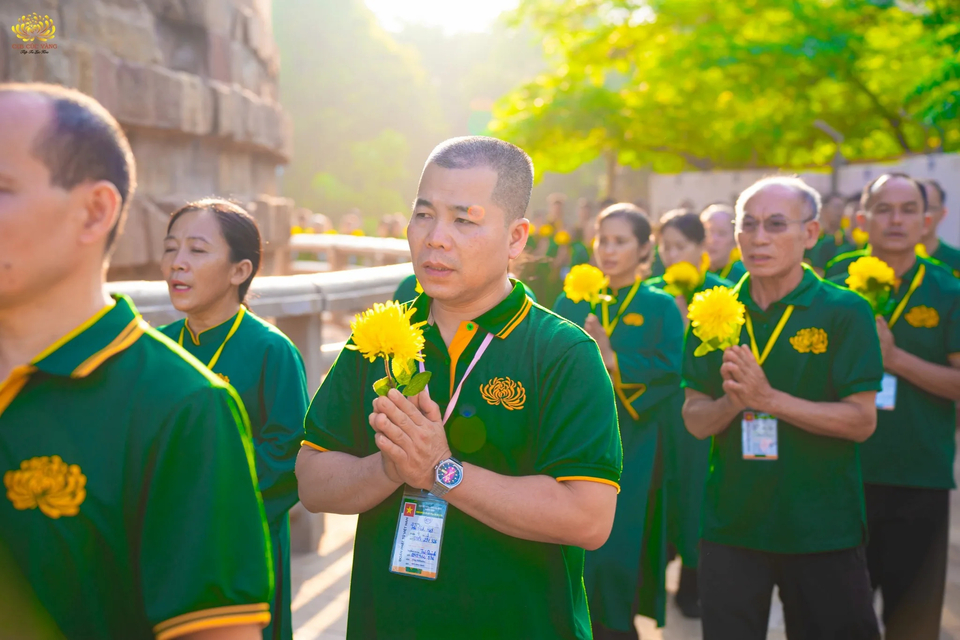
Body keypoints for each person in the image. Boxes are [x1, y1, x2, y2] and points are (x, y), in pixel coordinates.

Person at [296, 136, 622, 639]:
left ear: (515, 238)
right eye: (424, 214)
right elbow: (312, 480)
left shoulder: (561, 352)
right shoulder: (380, 337)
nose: (435, 237)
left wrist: (440, 472)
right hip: (391, 623)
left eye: (464, 219)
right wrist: (389, 466)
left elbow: (588, 517)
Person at [0, 83, 271, 638]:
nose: (179, 264)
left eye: (1, 187)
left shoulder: (183, 407)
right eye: (173, 248)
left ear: (94, 212)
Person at [682, 176, 883, 640]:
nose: (758, 238)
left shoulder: (843, 310)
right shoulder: (712, 310)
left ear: (810, 234)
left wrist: (768, 400)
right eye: (747, 225)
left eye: (775, 225)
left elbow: (860, 421)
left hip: (821, 528)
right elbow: (694, 420)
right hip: (732, 525)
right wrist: (734, 402)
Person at [158, 199, 308, 640]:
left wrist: (206, 505)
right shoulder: (157, 347)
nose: (177, 264)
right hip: (163, 537)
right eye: (171, 249)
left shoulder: (271, 351)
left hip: (240, 538)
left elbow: (286, 455)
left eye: (197, 251)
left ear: (240, 271)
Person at [829, 174, 960, 640]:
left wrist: (896, 360)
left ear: (927, 221)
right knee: (837, 616)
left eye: (908, 210)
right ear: (862, 219)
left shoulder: (947, 290)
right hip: (841, 476)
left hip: (917, 477)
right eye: (884, 209)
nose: (897, 219)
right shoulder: (832, 285)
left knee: (912, 623)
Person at [554, 203, 680, 638]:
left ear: (646, 247)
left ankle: (614, 626)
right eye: (602, 240)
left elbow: (670, 370)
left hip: (633, 443)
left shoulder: (659, 305)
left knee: (616, 546)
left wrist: (615, 360)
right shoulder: (570, 299)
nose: (608, 250)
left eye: (620, 241)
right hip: (568, 444)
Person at [645, 208, 733, 618]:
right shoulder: (648, 292)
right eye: (666, 246)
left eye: (681, 246)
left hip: (700, 414)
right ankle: (653, 574)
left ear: (702, 248)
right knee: (658, 488)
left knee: (697, 493)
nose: (672, 254)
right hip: (655, 414)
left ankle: (693, 582)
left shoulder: (723, 293)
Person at [804, 193, 854, 271]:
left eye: (842, 207)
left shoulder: (849, 240)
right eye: (836, 207)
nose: (840, 212)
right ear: (823, 210)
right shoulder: (812, 238)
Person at [920, 180, 960, 276]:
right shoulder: (885, 261)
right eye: (911, 209)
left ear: (943, 213)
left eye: (929, 208)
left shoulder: (956, 261)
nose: (923, 215)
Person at [701, 204, 747, 283]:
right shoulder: (692, 275)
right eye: (708, 232)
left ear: (734, 240)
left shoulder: (744, 276)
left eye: (722, 233)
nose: (713, 240)